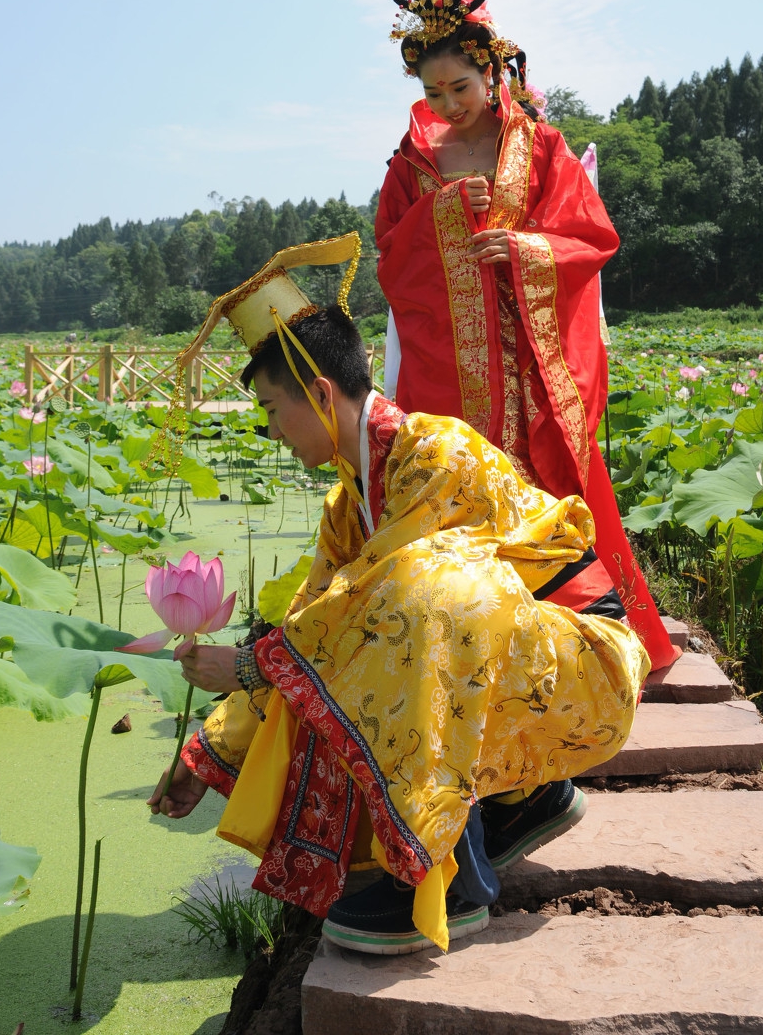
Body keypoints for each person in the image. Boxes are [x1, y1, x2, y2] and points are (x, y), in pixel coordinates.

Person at [147, 234, 650, 956]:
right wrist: (204, 753)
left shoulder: (436, 456)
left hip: (589, 665)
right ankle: (519, 802)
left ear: (321, 395)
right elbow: (310, 623)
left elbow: (357, 619)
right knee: (363, 627)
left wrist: (255, 663)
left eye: (270, 410)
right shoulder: (347, 509)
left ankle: (444, 880)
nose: (269, 432)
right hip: (521, 665)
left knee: (417, 598)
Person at [375, 0, 677, 671]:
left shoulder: (540, 147)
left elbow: (592, 234)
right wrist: (444, 216)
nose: (451, 104)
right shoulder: (411, 165)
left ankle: (586, 638)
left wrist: (525, 247)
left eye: (462, 86)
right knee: (456, 488)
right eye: (435, 90)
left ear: (493, 72)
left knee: (556, 486)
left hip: (535, 369)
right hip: (452, 370)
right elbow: (391, 259)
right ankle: (466, 643)